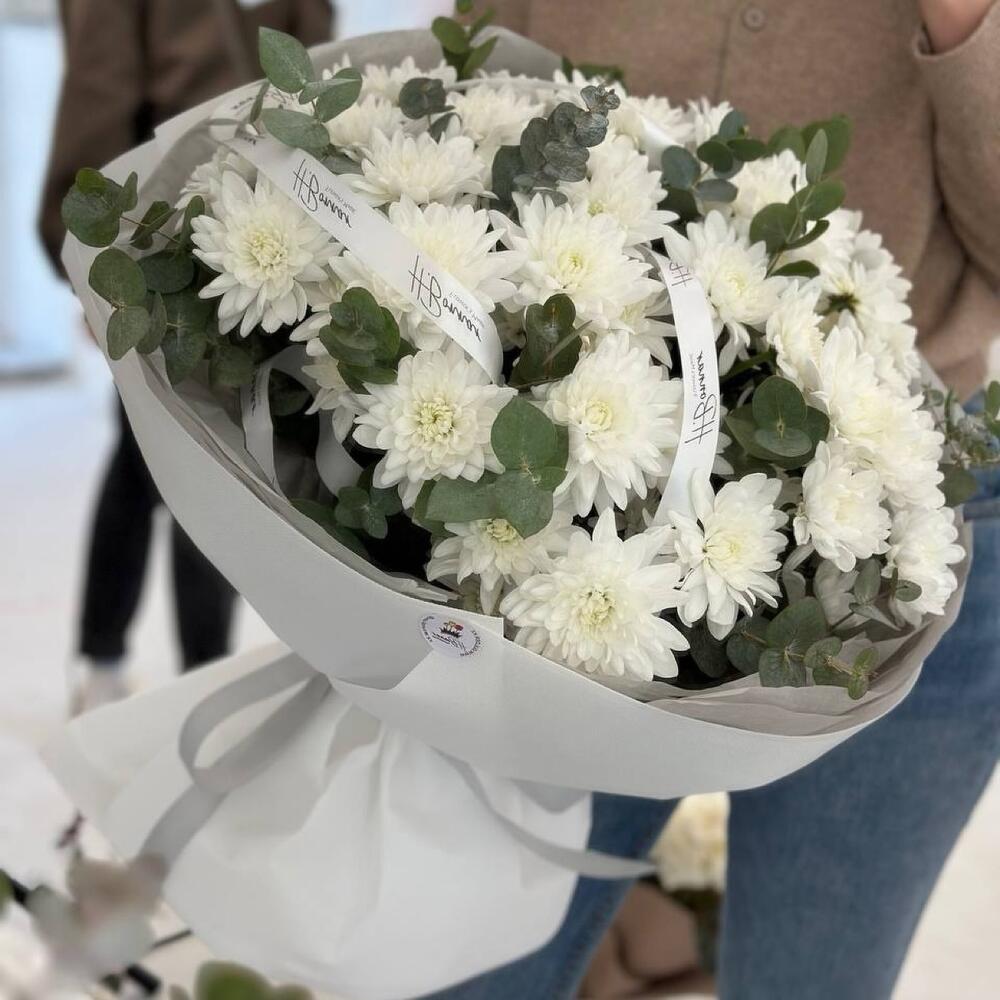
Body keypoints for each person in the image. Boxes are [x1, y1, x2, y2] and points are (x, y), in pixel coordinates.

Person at [425, 1, 1000, 998]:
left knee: (812, 984)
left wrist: (965, 23)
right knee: (477, 969)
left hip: (907, 525)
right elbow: (473, 124)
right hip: (571, 485)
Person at [39, 0, 332, 710]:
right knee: (160, 459)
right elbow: (95, 103)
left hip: (272, 244)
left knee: (210, 463)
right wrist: (94, 271)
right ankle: (120, 664)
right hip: (154, 243)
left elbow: (313, 74)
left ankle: (171, 671)